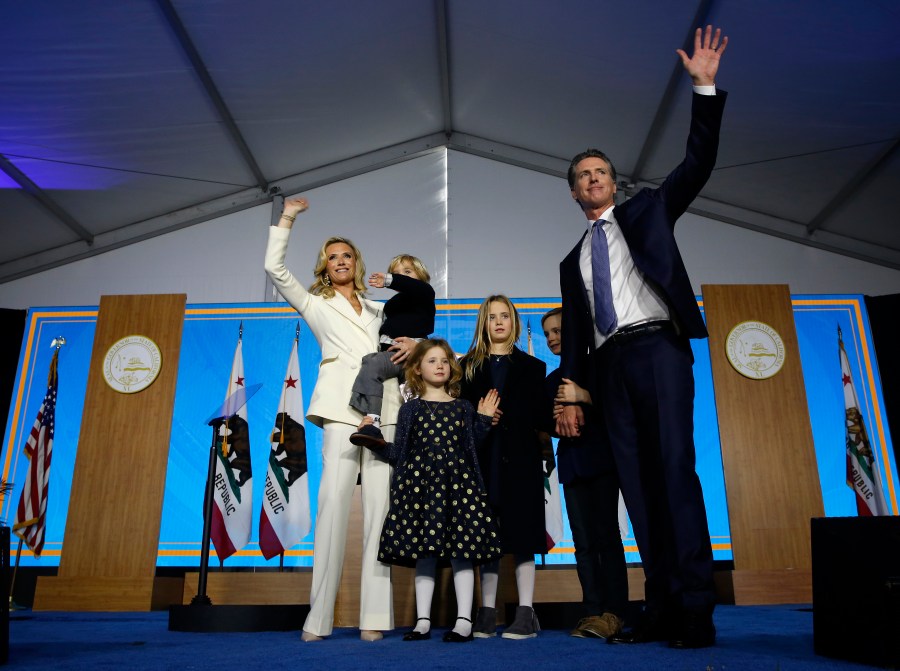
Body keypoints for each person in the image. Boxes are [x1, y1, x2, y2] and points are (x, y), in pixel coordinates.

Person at [556, 26, 729, 649]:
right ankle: (658, 606)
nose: (594, 179)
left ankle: (695, 610)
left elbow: (699, 162)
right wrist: (571, 391)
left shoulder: (649, 210)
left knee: (675, 474)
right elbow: (575, 337)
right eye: (583, 175)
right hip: (609, 373)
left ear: (613, 182)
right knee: (636, 487)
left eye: (601, 171)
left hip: (658, 350)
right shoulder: (569, 260)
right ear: (574, 191)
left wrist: (704, 88)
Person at [264, 196, 414, 642]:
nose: (340, 261)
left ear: (357, 262)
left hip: (383, 411)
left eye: (346, 255)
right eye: (332, 258)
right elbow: (275, 270)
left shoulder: (378, 309)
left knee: (379, 513)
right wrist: (287, 217)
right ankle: (318, 619)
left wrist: (411, 348)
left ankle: (374, 618)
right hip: (338, 411)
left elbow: (408, 338)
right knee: (331, 507)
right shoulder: (314, 304)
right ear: (324, 268)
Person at [357, 339, 503, 642]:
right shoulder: (410, 409)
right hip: (419, 491)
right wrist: (379, 446)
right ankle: (422, 621)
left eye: (444, 361)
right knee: (425, 553)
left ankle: (464, 620)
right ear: (418, 370)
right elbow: (402, 453)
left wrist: (485, 419)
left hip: (460, 490)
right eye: (432, 361)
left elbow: (472, 447)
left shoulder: (463, 407)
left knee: (463, 553)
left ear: (452, 369)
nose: (440, 366)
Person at [459, 295, 547, 639]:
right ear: (484, 322)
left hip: (521, 461)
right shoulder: (468, 367)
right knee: (486, 537)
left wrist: (506, 414)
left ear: (513, 321)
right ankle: (487, 611)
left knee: (522, 537)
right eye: (492, 316)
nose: (498, 322)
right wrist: (479, 416)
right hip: (482, 461)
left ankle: (525, 612)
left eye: (505, 316)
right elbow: (459, 415)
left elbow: (541, 418)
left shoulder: (533, 368)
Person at [541, 307, 628, 639]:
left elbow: (619, 406)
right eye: (547, 333)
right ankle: (591, 611)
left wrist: (584, 396)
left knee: (608, 538)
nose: (552, 338)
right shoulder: (550, 381)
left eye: (558, 330)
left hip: (603, 461)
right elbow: (548, 425)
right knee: (583, 542)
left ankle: (616, 611)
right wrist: (551, 418)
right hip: (573, 466)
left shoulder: (600, 367)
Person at [349, 254, 435, 449]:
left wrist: (389, 279)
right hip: (393, 356)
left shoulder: (425, 292)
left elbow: (414, 287)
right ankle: (372, 421)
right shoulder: (391, 304)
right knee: (372, 362)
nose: (401, 276)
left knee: (415, 394)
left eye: (407, 271)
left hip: (415, 358)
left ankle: (422, 427)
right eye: (396, 273)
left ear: (420, 274)